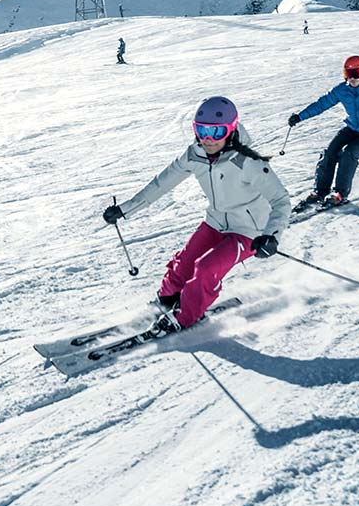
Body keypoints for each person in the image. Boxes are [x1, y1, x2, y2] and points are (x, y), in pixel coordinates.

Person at [102, 97, 289, 333]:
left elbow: (281, 200)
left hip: (250, 232)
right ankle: (167, 301)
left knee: (206, 268)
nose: (208, 139)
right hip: (215, 222)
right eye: (201, 131)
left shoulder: (248, 162)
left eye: (217, 131)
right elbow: (161, 184)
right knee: (183, 265)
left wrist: (271, 235)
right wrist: (125, 209)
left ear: (231, 130)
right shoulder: (195, 154)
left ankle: (184, 317)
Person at [288, 55, 359, 208]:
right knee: (329, 152)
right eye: (348, 75)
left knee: (349, 154)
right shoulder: (342, 90)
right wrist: (300, 116)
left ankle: (340, 193)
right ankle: (320, 191)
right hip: (352, 128)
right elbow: (321, 104)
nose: (352, 79)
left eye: (356, 74)